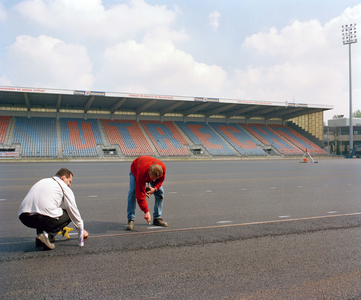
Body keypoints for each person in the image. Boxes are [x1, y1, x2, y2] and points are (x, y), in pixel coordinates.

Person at [18, 168, 88, 250]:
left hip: (24, 217)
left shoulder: (43, 181)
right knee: (67, 214)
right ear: (63, 178)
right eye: (69, 181)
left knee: (45, 211)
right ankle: (46, 236)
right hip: (42, 216)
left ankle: (41, 237)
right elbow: (72, 209)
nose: (69, 185)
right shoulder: (63, 186)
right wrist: (80, 229)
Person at [126, 156, 167, 230]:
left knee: (160, 192)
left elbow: (160, 181)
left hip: (147, 169)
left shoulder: (162, 168)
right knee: (132, 193)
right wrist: (146, 211)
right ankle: (130, 219)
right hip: (135, 169)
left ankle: (157, 218)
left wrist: (154, 189)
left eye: (156, 179)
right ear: (149, 173)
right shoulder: (142, 172)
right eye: (152, 178)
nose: (154, 180)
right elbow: (140, 194)